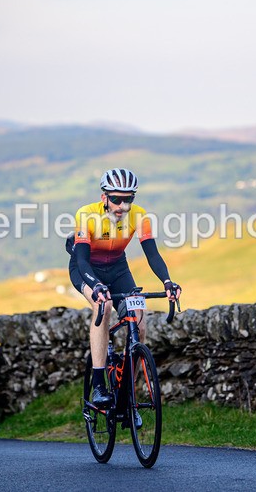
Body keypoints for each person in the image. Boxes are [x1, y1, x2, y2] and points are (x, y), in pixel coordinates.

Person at [67, 168, 181, 410]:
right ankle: (99, 385)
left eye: (128, 199)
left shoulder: (139, 216)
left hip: (118, 269)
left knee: (139, 324)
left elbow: (152, 254)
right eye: (116, 199)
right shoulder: (86, 215)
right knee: (104, 305)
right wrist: (96, 285)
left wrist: (167, 281)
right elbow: (83, 260)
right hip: (86, 268)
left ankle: (128, 389)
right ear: (104, 198)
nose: (122, 205)